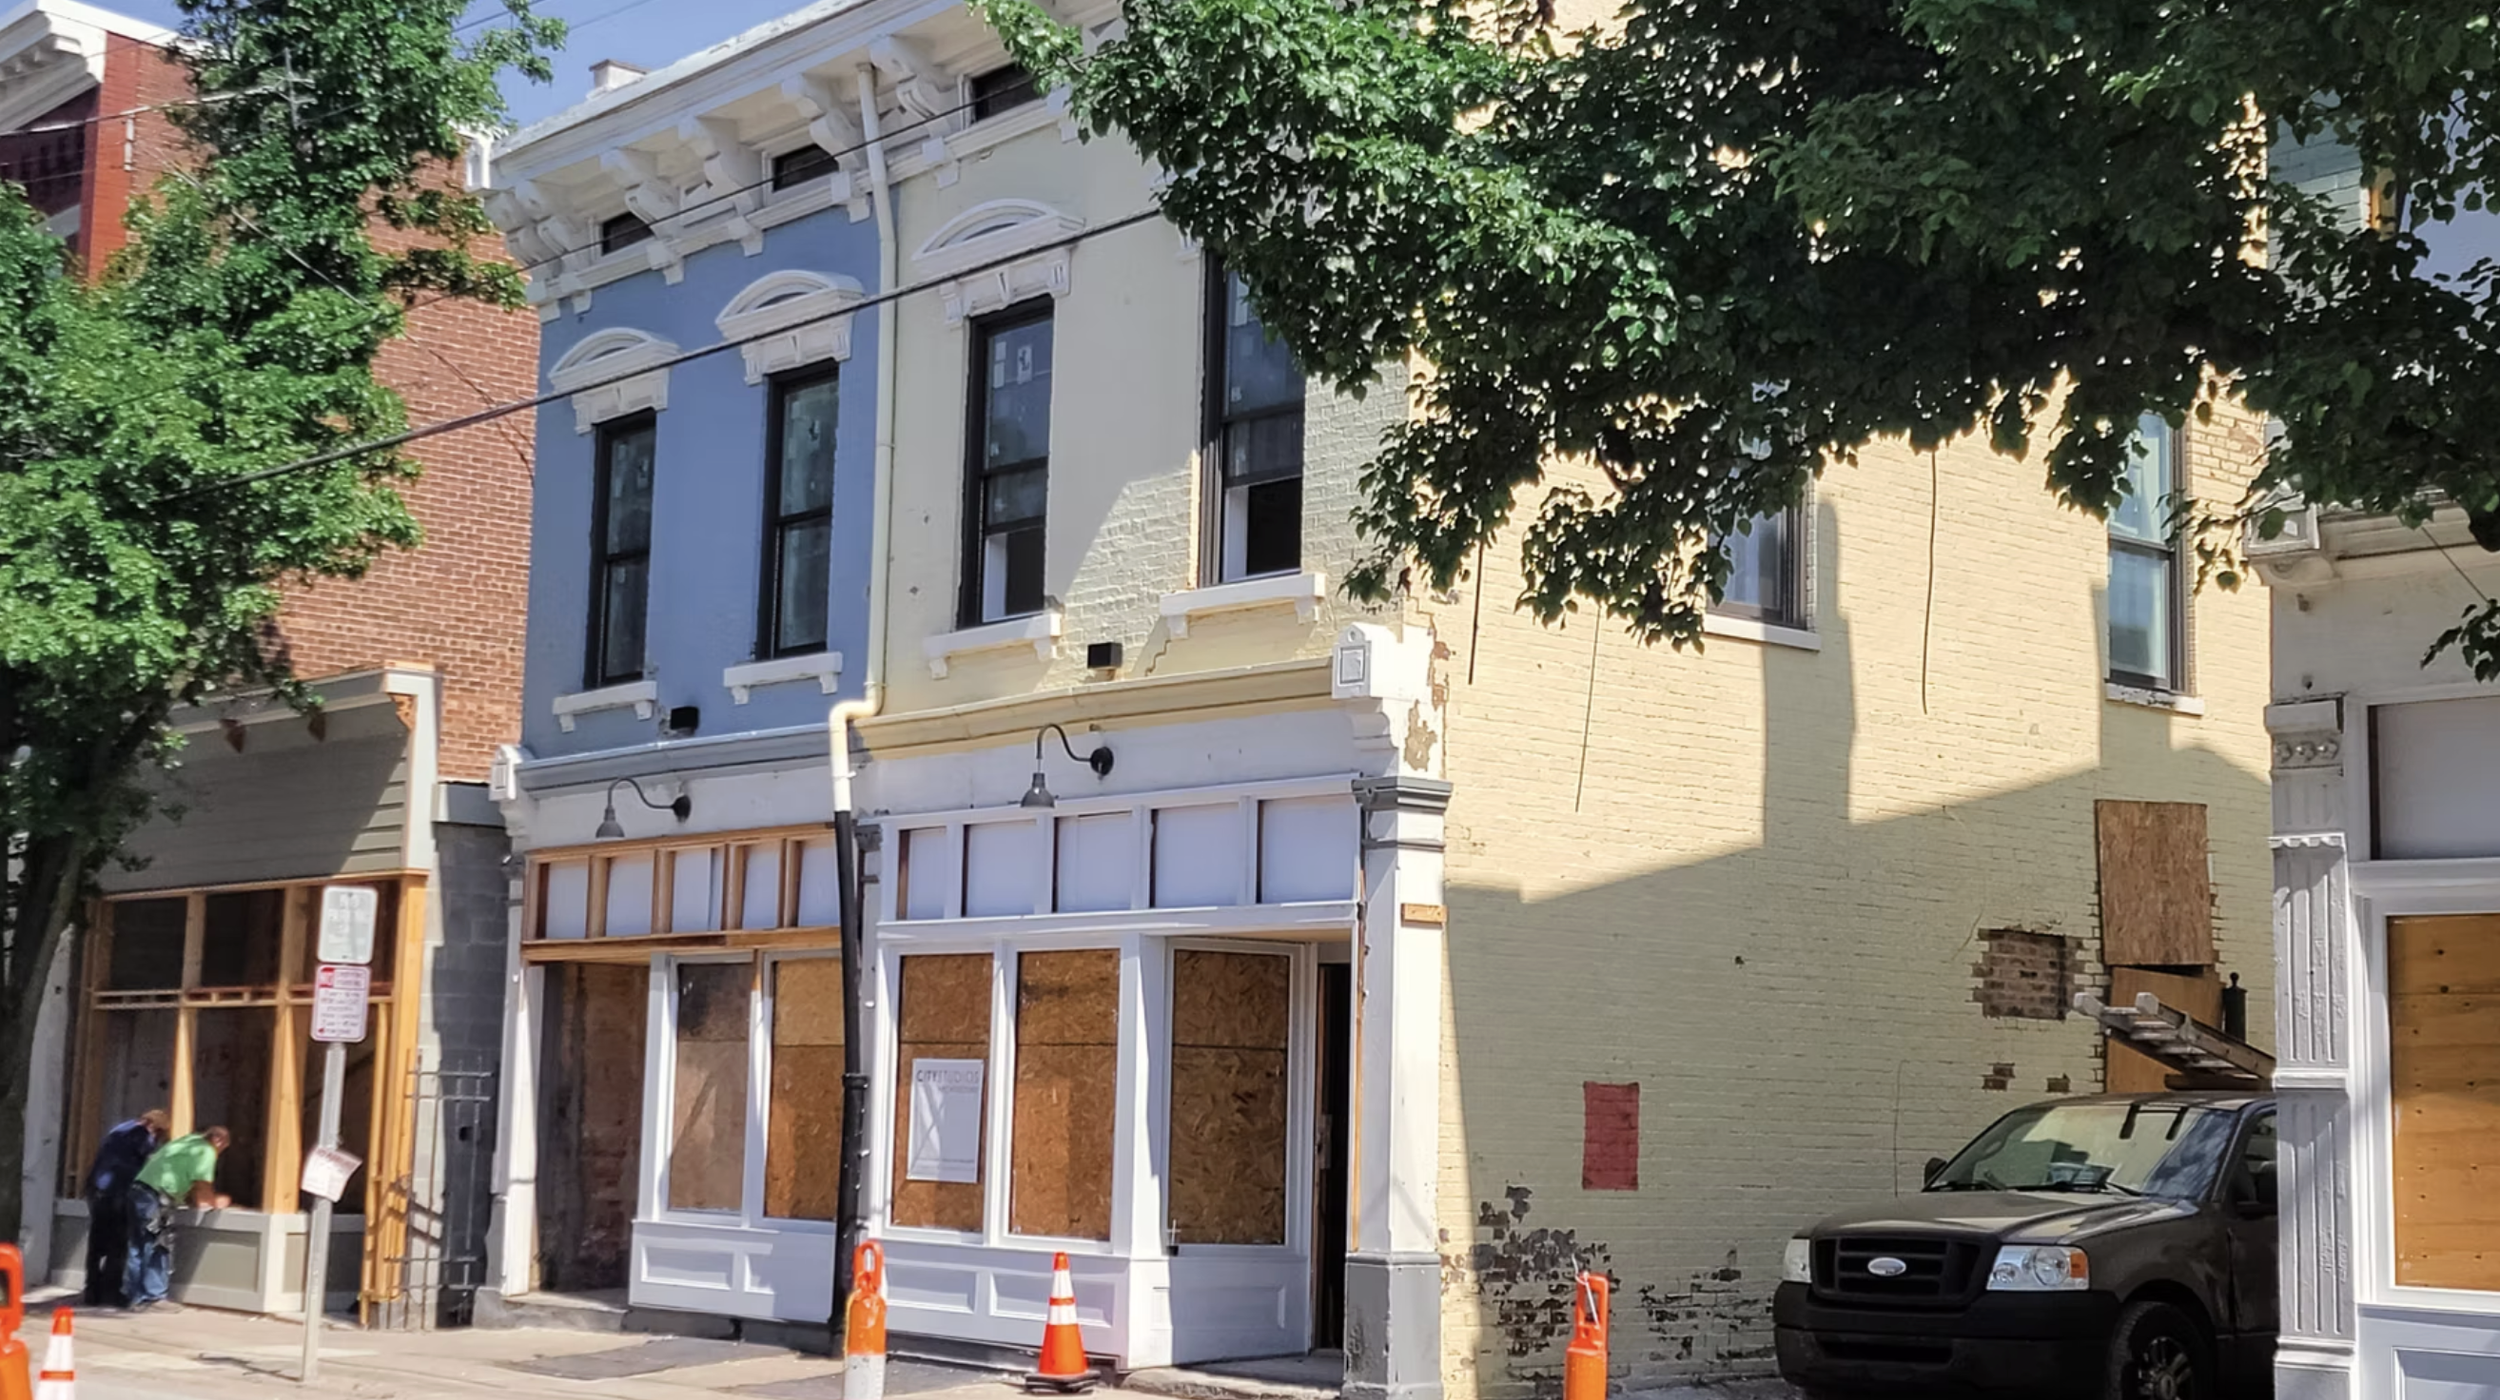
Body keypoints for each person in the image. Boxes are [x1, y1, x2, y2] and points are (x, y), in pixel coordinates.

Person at [124, 1125, 231, 1311]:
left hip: (139, 1190)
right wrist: (216, 1202)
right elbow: (202, 1183)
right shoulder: (205, 1150)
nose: (219, 1154)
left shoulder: (186, 1142)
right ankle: (155, 1296)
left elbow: (185, 1177)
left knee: (138, 1245)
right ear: (219, 1141)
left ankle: (135, 1297)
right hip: (157, 1198)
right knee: (158, 1245)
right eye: (222, 1150)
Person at [81, 1108, 168, 1306]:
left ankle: (91, 1291)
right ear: (154, 1127)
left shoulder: (121, 1128)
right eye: (160, 1133)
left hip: (97, 1190)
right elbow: (146, 1162)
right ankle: (110, 1292)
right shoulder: (142, 1135)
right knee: (117, 1245)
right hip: (118, 1191)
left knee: (96, 1245)